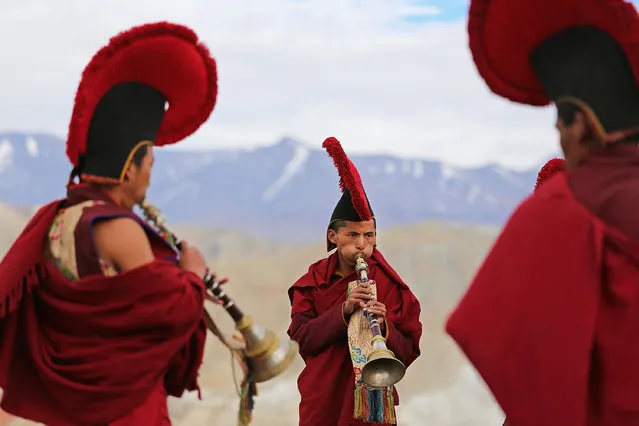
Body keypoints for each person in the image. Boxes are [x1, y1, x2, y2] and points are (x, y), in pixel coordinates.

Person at [0, 21, 218, 425]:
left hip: (73, 409)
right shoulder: (119, 227)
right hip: (123, 408)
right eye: (149, 163)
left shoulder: (62, 216)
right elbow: (165, 312)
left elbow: (121, 300)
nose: (151, 175)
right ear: (129, 168)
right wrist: (191, 276)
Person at [445, 0, 639, 425]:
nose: (559, 136)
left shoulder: (563, 208)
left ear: (582, 123)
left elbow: (492, 338)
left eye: (560, 122)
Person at [287, 137, 422, 426]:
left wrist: (384, 327)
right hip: (323, 402)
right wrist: (343, 311)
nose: (362, 245)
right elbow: (304, 339)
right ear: (332, 236)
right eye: (352, 235)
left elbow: (409, 349)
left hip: (373, 406)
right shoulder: (312, 282)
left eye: (369, 235)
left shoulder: (388, 282)